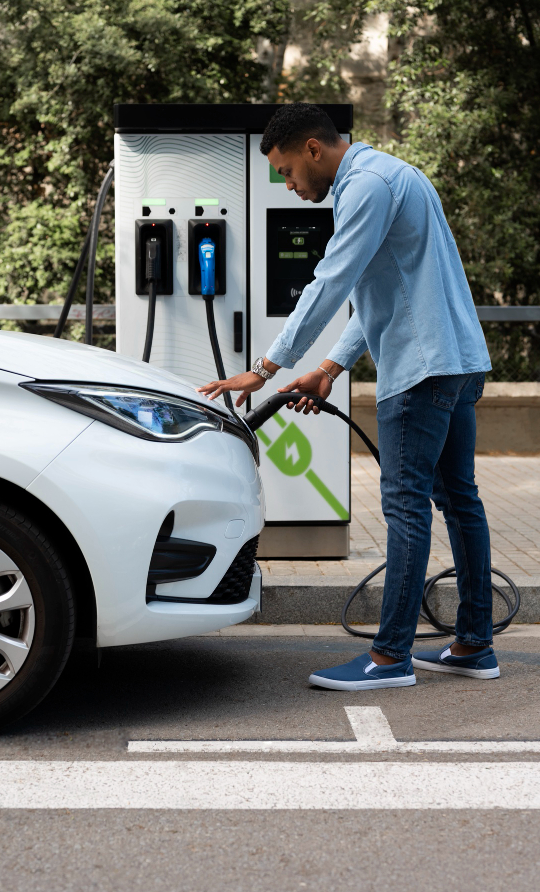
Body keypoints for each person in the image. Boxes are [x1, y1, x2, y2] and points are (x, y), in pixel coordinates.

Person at [197, 102, 498, 691]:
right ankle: (474, 644)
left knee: (406, 506)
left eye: (286, 171)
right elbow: (383, 290)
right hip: (458, 362)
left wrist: (266, 367)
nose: (287, 185)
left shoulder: (364, 186)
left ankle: (389, 658)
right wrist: (330, 366)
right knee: (460, 501)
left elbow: (331, 282)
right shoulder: (391, 176)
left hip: (420, 370)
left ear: (314, 149)